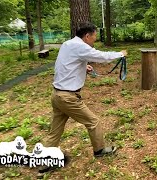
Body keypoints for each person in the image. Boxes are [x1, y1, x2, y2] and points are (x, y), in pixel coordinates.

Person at [38, 22, 127, 176]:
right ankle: (100, 150)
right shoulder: (81, 47)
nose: (94, 41)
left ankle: (44, 164)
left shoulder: (68, 44)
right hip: (68, 97)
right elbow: (101, 56)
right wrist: (120, 54)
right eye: (94, 38)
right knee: (93, 122)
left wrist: (83, 66)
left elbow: (65, 63)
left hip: (57, 95)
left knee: (55, 132)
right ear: (87, 36)